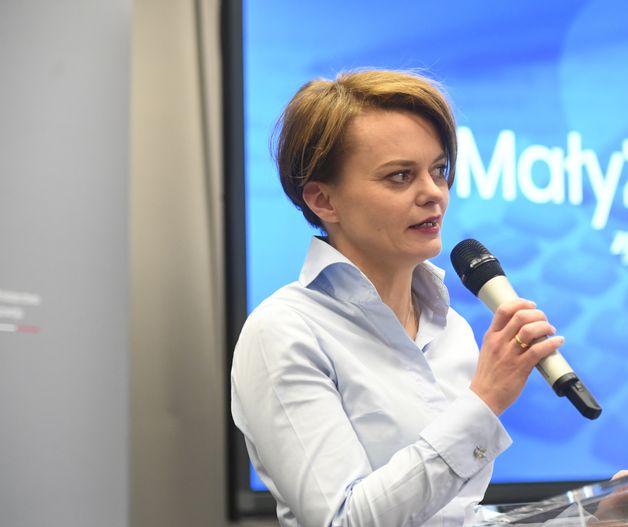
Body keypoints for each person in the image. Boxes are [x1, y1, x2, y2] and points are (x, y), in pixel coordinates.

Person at [230, 69, 567, 526]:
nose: (433, 193)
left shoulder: (451, 330)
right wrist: (485, 399)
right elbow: (343, 520)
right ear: (323, 201)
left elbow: (454, 520)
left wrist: (588, 518)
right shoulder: (284, 332)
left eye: (439, 170)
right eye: (400, 176)